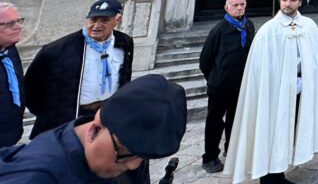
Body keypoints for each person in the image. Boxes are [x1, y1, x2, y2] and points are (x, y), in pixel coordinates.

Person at [0, 74, 186, 184]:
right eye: (125, 154)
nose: (133, 165)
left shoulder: (116, 143)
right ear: (94, 130)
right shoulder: (37, 177)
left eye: (142, 157)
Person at [226, 0, 318, 184]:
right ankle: (268, 178)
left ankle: (279, 173)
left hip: (299, 91)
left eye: (292, 0)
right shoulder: (269, 31)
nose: (287, 3)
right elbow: (259, 69)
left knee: (287, 131)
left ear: (300, 2)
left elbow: (314, 63)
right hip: (272, 94)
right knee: (270, 132)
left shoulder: (309, 27)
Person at [24, 0, 134, 139]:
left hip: (106, 114)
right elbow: (31, 88)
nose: (96, 26)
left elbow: (124, 75)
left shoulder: (124, 42)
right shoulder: (57, 49)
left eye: (104, 20)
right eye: (92, 20)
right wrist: (52, 114)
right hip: (70, 118)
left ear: (117, 20)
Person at [199, 0, 255, 174]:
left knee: (235, 119)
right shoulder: (219, 30)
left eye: (242, 5)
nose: (239, 8)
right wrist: (215, 78)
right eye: (235, 5)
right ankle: (210, 156)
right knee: (215, 120)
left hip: (241, 84)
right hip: (220, 86)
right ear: (227, 8)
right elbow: (205, 60)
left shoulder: (249, 25)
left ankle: (231, 149)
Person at [0, 2, 25, 147]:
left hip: (12, 134)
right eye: (9, 23)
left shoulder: (10, 49)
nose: (18, 26)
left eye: (19, 21)